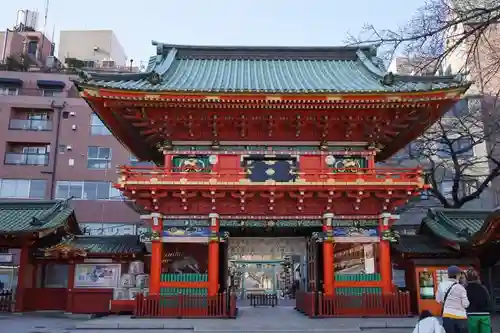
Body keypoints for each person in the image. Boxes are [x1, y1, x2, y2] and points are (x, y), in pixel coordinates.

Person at [436, 265, 470, 333]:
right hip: (461, 317)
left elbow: (438, 300)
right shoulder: (461, 288)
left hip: (447, 316)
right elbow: (465, 304)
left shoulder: (441, 285)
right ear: (458, 275)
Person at [464, 268, 492, 333]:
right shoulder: (483, 288)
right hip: (485, 315)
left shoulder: (465, 289)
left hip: (471, 315)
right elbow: (488, 300)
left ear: (466, 278)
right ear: (477, 277)